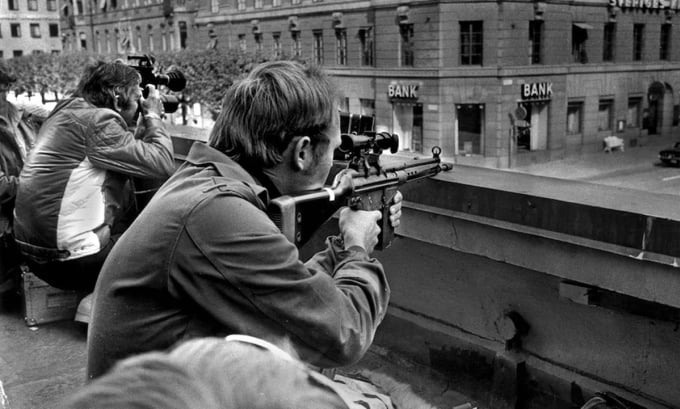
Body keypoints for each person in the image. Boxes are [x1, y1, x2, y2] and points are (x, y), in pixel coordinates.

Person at [86, 60, 402, 379]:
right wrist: (357, 247)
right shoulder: (217, 213)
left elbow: (279, 288)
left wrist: (341, 247)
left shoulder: (206, 184)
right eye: (334, 148)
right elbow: (343, 335)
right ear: (303, 152)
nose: (333, 161)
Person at [12, 60, 175, 309]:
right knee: (166, 246)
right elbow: (162, 162)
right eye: (136, 96)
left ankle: (98, 296)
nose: (140, 103)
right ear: (117, 96)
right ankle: (99, 306)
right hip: (69, 263)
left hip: (32, 253)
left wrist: (132, 119)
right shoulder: (98, 122)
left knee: (116, 190)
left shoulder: (67, 109)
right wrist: (152, 116)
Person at [0, 60, 49, 293]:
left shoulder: (26, 117)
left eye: (2, 87)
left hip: (31, 208)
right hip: (8, 217)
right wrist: (39, 184)